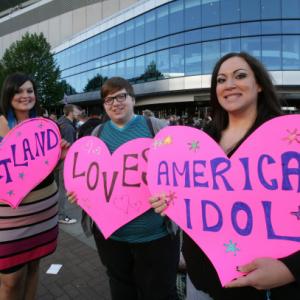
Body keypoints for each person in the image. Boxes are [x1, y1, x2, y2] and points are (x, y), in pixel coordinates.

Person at [150, 52, 300, 300]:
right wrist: (169, 200)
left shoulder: (287, 138)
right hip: (201, 279)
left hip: (265, 287)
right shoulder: (204, 138)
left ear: (259, 84)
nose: (229, 85)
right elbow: (190, 194)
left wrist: (291, 269)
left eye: (240, 76)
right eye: (221, 80)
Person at [70, 77, 180, 300]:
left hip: (156, 236)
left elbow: (181, 175)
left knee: (160, 293)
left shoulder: (158, 128)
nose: (115, 103)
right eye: (108, 99)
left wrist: (173, 195)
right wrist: (79, 192)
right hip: (112, 239)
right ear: (103, 105)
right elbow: (87, 176)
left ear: (133, 99)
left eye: (121, 96)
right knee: (121, 290)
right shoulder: (96, 135)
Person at [0, 72, 69, 300]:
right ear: (9, 94)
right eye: (19, 90)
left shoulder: (46, 126)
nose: (25, 95)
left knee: (33, 268)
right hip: (9, 216)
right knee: (10, 281)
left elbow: (49, 170)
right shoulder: (0, 124)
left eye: (30, 90)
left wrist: (60, 157)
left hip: (44, 211)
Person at [57, 104, 81, 224]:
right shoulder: (68, 128)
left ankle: (58, 213)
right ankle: (61, 215)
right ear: (71, 112)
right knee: (63, 189)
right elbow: (70, 149)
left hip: (58, 161)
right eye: (77, 110)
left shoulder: (61, 123)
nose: (79, 112)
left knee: (60, 188)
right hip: (65, 162)